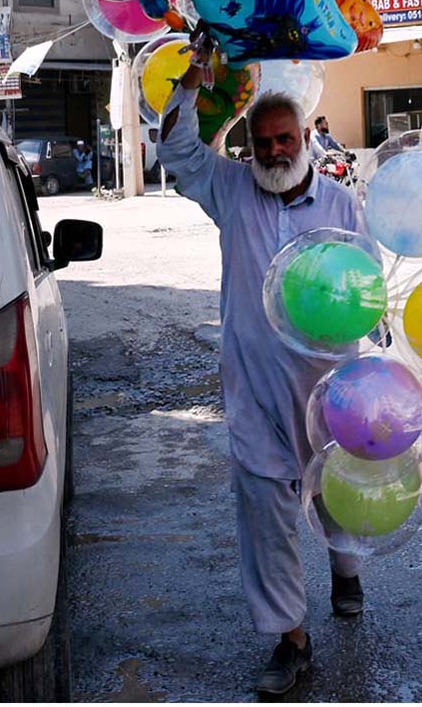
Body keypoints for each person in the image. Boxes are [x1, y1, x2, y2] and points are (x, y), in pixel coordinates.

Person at [158, 56, 367, 696]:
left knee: (336, 488)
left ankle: (345, 567)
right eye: (263, 142)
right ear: (248, 147)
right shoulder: (229, 190)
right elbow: (176, 147)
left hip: (328, 383)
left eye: (285, 139)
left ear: (306, 140)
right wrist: (191, 82)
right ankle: (291, 638)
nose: (274, 151)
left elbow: (367, 284)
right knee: (263, 506)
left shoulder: (340, 205)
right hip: (252, 386)